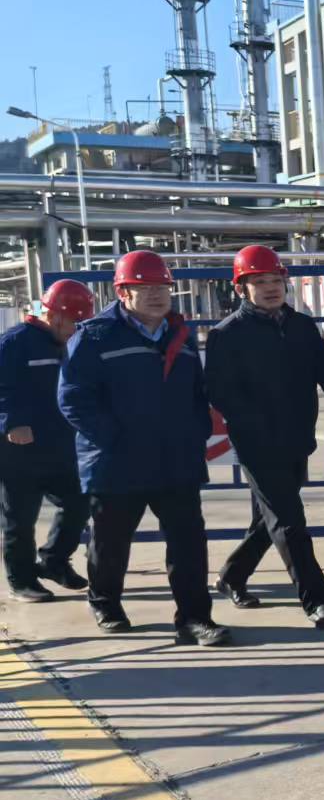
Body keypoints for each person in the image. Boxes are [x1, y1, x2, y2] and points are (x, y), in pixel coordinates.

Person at [58, 250, 227, 644]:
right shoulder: (95, 336)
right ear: (123, 293)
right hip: (118, 461)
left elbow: (195, 394)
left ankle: (194, 618)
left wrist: (196, 432)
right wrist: (115, 440)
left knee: (188, 542)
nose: (156, 295)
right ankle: (105, 603)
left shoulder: (180, 336)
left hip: (175, 459)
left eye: (162, 287)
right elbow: (73, 399)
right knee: (111, 542)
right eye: (144, 287)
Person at [205, 245, 324, 629]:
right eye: (259, 282)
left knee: (269, 518)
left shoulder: (301, 325)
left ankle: (232, 575)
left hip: (297, 437)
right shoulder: (227, 334)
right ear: (241, 288)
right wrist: (254, 423)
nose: (271, 288)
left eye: (276, 280)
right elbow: (220, 392)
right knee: (289, 521)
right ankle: (316, 600)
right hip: (257, 443)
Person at [0, 280, 95, 601]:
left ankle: (54, 560)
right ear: (52, 315)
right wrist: (13, 422)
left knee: (79, 502)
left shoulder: (71, 343)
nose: (76, 329)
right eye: (72, 322)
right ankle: (22, 580)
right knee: (19, 517)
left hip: (60, 444)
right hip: (19, 449)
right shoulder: (14, 342)